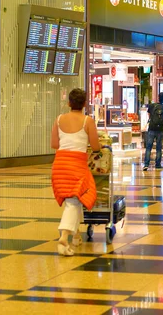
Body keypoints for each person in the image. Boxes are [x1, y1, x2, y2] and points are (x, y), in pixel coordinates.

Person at [51, 88, 100, 256]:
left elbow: (55, 144)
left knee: (73, 199)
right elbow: (95, 146)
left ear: (69, 103)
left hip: (59, 164)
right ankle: (64, 236)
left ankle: (76, 235)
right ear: (85, 104)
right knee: (75, 200)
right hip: (77, 165)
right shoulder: (88, 121)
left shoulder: (58, 120)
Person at [143, 92, 163, 171]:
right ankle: (158, 164)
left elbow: (149, 115)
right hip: (160, 129)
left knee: (148, 147)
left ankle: (146, 164)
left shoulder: (151, 106)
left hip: (151, 128)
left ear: (158, 97)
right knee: (159, 148)